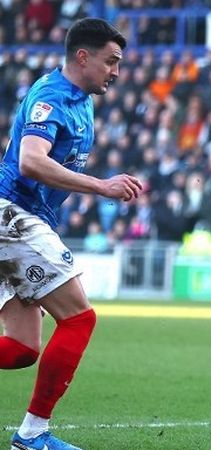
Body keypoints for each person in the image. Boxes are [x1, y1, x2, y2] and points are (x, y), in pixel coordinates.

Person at [0, 18, 143, 450]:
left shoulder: (83, 101)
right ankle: (33, 435)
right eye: (110, 61)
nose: (115, 71)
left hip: (24, 218)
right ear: (83, 56)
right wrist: (101, 186)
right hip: (13, 214)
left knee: (23, 348)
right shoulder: (51, 96)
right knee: (80, 318)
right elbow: (31, 161)